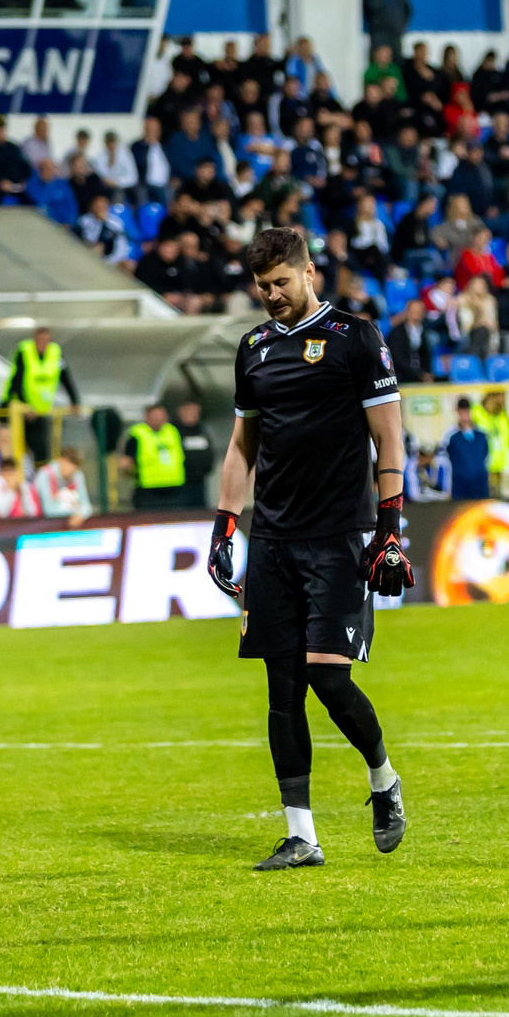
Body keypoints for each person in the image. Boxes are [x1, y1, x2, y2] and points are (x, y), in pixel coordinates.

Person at [206, 227, 409, 873]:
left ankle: (383, 779)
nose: (271, 295)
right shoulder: (254, 350)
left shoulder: (357, 339)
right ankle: (302, 834)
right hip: (273, 540)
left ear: (309, 272)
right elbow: (244, 446)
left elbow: (391, 438)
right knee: (282, 687)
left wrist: (390, 530)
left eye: (281, 283)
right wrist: (226, 524)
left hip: (339, 536)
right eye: (262, 286)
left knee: (328, 675)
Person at [0, 324, 77, 463]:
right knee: (14, 447)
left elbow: (65, 378)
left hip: (39, 411)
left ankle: (37, 475)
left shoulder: (55, 353)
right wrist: (25, 405)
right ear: (35, 340)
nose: (43, 344)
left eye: (46, 340)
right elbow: (17, 381)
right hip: (18, 408)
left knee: (40, 448)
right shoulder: (24, 352)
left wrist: (75, 401)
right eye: (40, 340)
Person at [119, 401, 189, 508]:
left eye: (161, 415)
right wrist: (134, 475)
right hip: (148, 490)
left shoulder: (173, 431)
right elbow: (125, 464)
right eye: (155, 416)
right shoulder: (137, 434)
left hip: (174, 488)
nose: (159, 419)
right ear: (147, 417)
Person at [443, 397, 492, 500]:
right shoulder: (451, 435)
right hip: (460, 485)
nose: (464, 414)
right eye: (462, 411)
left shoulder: (481, 434)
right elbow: (446, 462)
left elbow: (487, 457)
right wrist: (447, 488)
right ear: (457, 412)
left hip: (479, 484)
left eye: (467, 411)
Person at [35, 446, 94, 525]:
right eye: (70, 463)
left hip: (68, 526)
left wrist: (81, 514)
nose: (72, 469)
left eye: (75, 465)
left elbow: (86, 505)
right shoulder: (44, 475)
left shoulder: (77, 476)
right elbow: (48, 510)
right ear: (61, 460)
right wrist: (75, 511)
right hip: (42, 525)